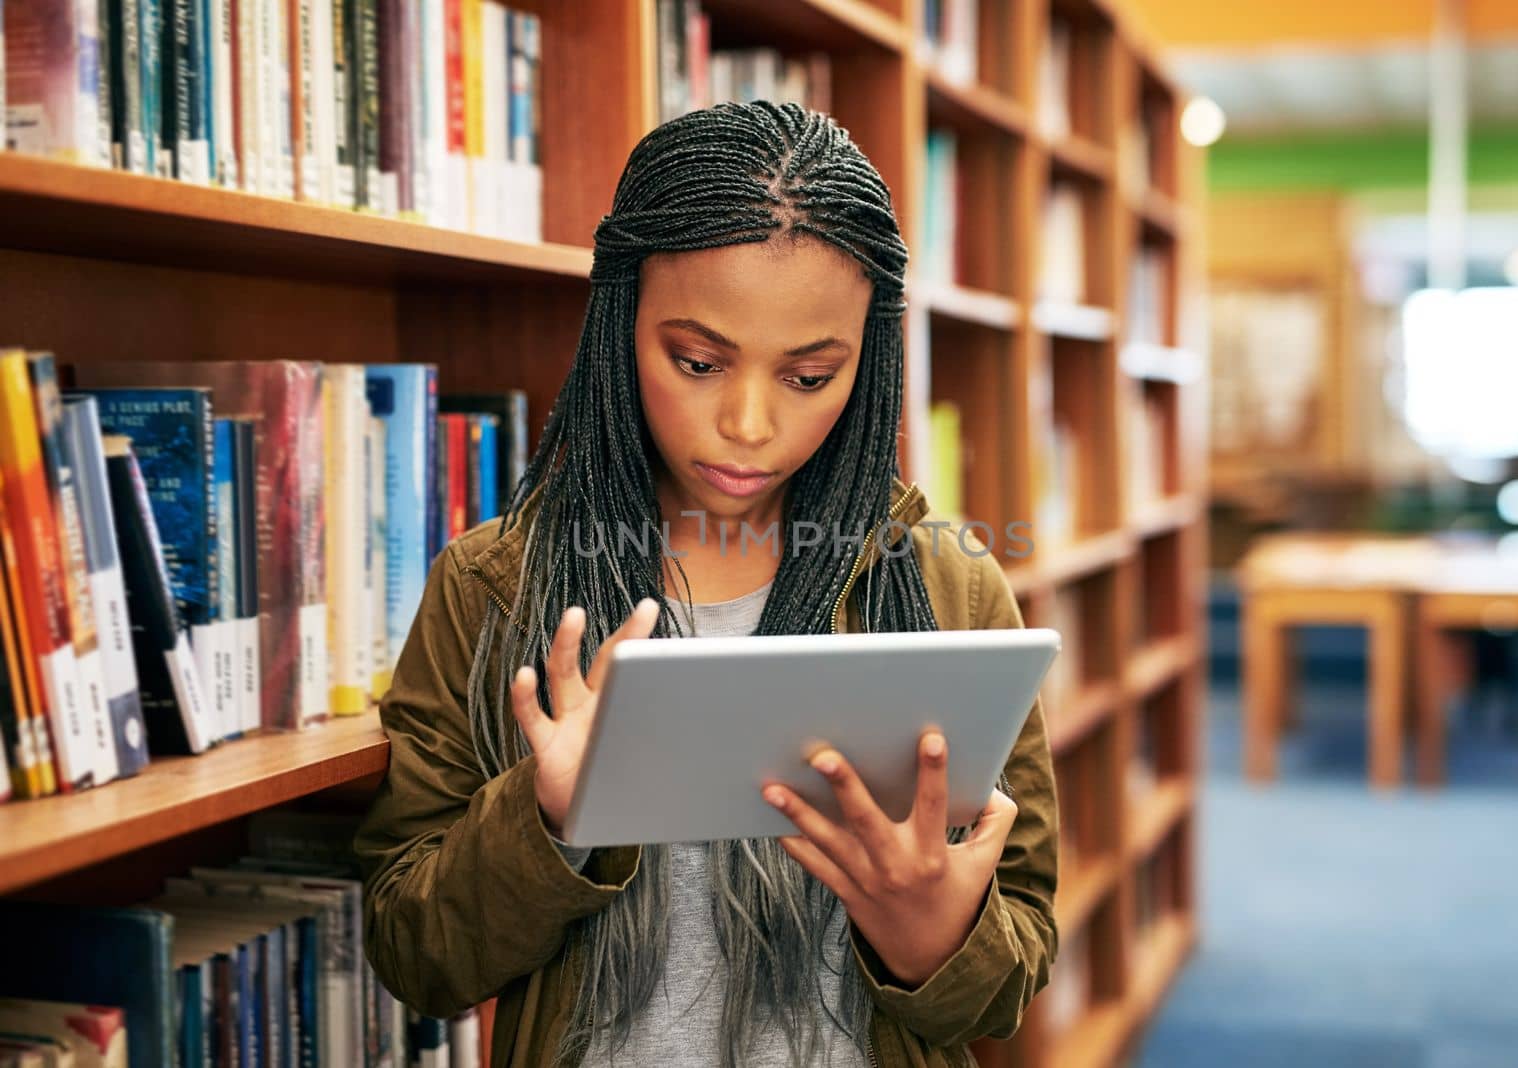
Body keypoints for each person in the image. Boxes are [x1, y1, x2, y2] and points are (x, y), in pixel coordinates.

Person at [354, 101, 1059, 1068]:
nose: (749, 424)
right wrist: (548, 819)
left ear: (872, 362)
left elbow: (1018, 966)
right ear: (619, 321)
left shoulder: (949, 586)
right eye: (697, 361)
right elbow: (414, 954)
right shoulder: (492, 585)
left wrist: (933, 929)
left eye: (810, 376)